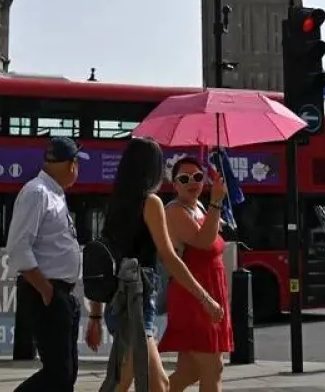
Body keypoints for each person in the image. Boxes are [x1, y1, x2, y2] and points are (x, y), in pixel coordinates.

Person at [86, 137, 224, 392]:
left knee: (122, 381)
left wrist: (95, 315)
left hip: (118, 303)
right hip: (136, 305)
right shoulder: (151, 202)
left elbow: (104, 261)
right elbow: (169, 256)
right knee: (157, 384)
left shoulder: (116, 204)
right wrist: (205, 298)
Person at [6, 137, 84, 392]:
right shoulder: (37, 192)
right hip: (45, 292)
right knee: (58, 374)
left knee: (67, 374)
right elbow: (19, 246)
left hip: (60, 293)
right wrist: (47, 291)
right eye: (77, 163)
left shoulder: (55, 193)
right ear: (70, 164)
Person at [160, 157, 232, 391]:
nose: (192, 182)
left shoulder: (199, 207)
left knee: (189, 371)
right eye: (184, 178)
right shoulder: (174, 211)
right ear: (175, 185)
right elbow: (204, 241)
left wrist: (215, 208)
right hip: (193, 295)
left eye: (198, 177)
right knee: (213, 368)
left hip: (211, 290)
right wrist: (216, 202)